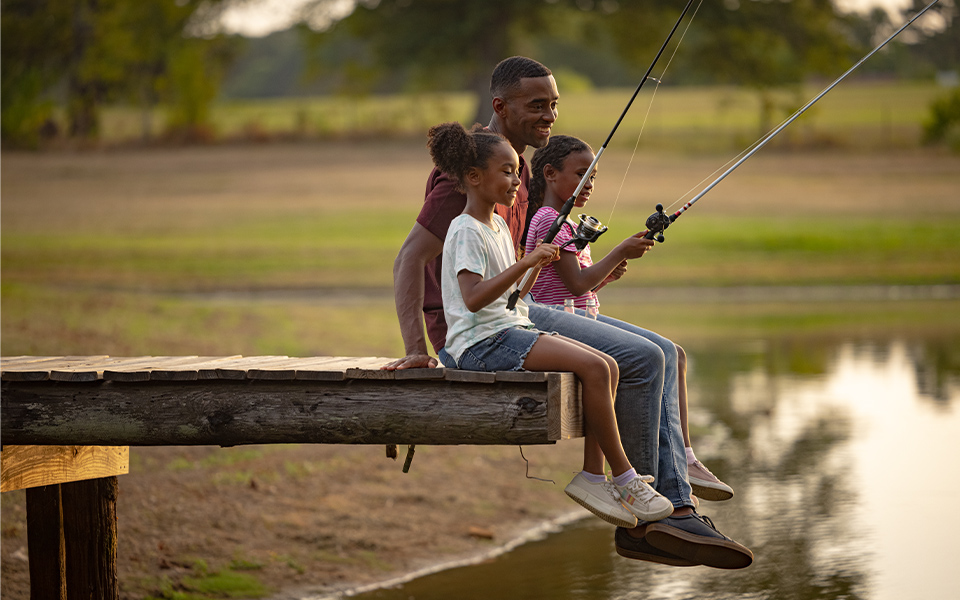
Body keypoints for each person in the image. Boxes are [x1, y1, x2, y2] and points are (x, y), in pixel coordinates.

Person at [384, 56, 752, 569]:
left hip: (516, 309)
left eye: (554, 105)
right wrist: (415, 351)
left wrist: (582, 265)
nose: (549, 116)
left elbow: (518, 259)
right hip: (483, 327)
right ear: (500, 106)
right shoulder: (468, 178)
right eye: (537, 105)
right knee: (642, 359)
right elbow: (410, 260)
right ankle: (658, 513)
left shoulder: (513, 170)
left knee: (664, 351)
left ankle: (668, 494)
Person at [427, 121, 675, 528]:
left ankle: (594, 476)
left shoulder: (499, 225)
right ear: (473, 177)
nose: (515, 181)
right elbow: (473, 298)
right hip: (480, 344)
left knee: (607, 364)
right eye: (506, 172)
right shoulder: (466, 228)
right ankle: (625, 478)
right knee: (597, 367)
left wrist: (533, 268)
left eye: (515, 172)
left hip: (509, 328)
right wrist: (526, 262)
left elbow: (512, 296)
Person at [524, 134, 735, 504]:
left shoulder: (566, 223)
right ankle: (649, 476)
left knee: (676, 354)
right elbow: (575, 286)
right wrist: (618, 250)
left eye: (593, 177)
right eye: (581, 175)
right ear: (550, 174)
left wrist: (606, 273)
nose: (588, 184)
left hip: (575, 315)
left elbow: (579, 285)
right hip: (555, 322)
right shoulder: (548, 221)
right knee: (652, 356)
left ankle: (685, 457)